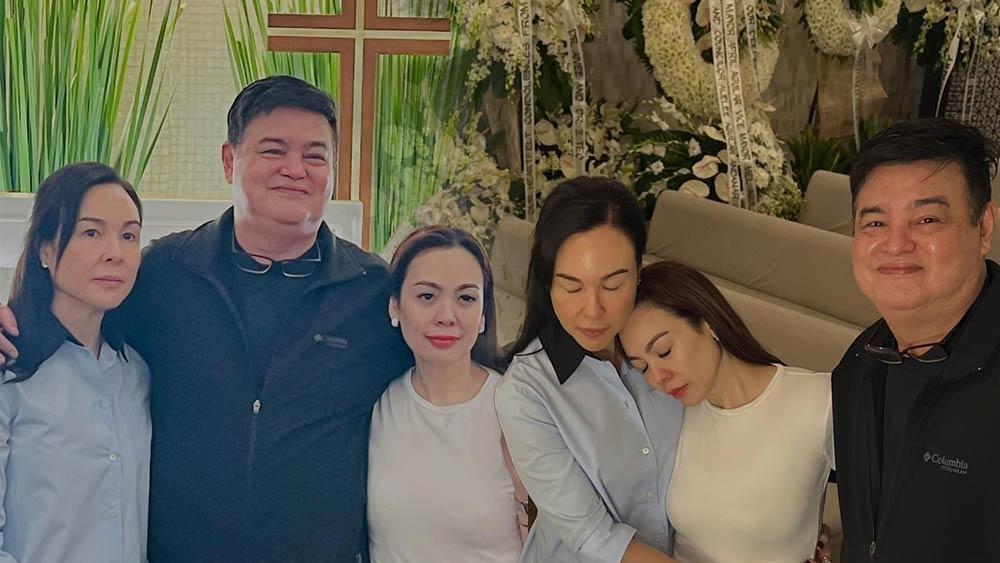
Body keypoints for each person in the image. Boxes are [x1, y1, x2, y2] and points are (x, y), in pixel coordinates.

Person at [0, 76, 412, 562]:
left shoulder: (373, 292)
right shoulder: (163, 272)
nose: (295, 169)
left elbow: (447, 374)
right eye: (273, 150)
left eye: (315, 155)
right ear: (229, 160)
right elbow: (72, 315)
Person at [833, 118, 1000, 561]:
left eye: (927, 219)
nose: (896, 244)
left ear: (984, 228)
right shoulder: (858, 364)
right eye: (875, 223)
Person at [495, 176, 684, 563]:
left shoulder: (674, 337)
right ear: (547, 283)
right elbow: (596, 538)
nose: (593, 311)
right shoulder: (526, 392)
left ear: (639, 270)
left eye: (612, 286)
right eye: (572, 287)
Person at [618, 260, 834, 563]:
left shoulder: (819, 400)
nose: (657, 378)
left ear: (708, 323)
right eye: (642, 367)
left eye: (664, 351)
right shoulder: (670, 415)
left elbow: (888, 511)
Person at [0, 163, 150, 562]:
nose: (115, 253)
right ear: (44, 249)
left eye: (129, 235)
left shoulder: (137, 374)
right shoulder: (10, 370)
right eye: (91, 232)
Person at [367, 226, 528, 562]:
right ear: (395, 306)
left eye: (466, 298)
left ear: (483, 316)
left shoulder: (517, 408)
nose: (446, 316)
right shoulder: (374, 404)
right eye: (427, 296)